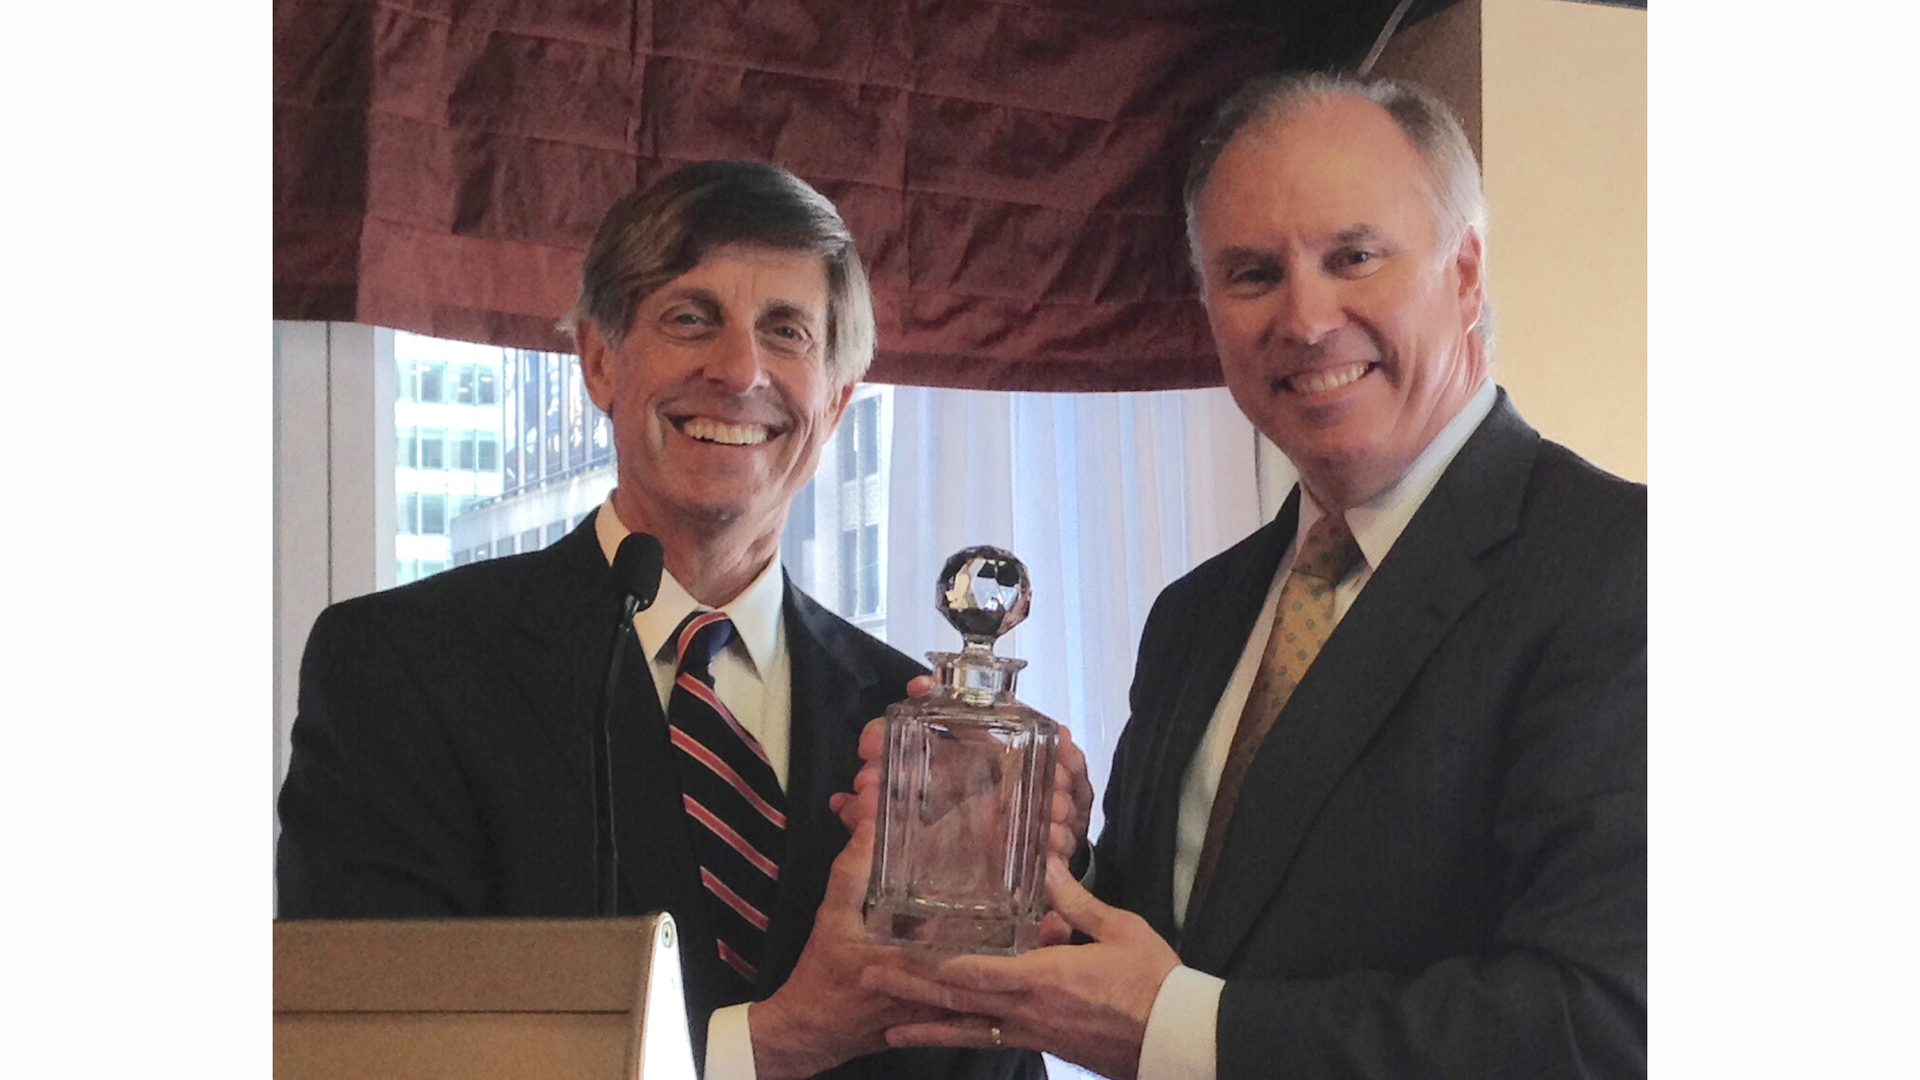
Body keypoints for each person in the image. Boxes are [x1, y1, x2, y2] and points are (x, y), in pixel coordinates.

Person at [861, 73, 1646, 1079]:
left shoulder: (1623, 569)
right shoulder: (1196, 616)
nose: (1307, 318)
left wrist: (1187, 1034)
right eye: (1251, 274)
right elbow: (1166, 951)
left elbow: (1604, 1027)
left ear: (1464, 273)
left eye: (1353, 257)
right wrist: (1034, 860)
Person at [276, 160, 1041, 1080]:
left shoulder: (917, 733)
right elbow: (374, 1057)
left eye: (786, 332)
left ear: (835, 404)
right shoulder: (402, 669)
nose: (738, 370)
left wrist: (1055, 882)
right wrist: (767, 1045)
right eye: (691, 317)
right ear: (599, 359)